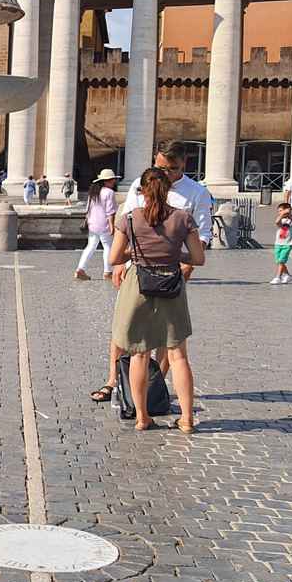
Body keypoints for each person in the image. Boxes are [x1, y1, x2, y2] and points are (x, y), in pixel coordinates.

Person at [90, 141, 211, 404]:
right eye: (159, 167)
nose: (163, 174)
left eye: (171, 169)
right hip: (137, 268)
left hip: (171, 272)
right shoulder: (139, 184)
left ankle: (155, 387)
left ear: (183, 165)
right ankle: (113, 380)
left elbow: (202, 233)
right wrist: (120, 264)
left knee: (168, 335)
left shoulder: (197, 192)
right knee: (123, 329)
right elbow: (126, 220)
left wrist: (185, 262)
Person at [106, 167, 205, 432]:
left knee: (139, 353)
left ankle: (142, 417)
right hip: (171, 286)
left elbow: (114, 258)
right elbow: (198, 258)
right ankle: (187, 418)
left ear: (142, 192)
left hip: (138, 287)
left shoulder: (128, 219)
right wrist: (174, 255)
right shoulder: (183, 219)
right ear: (168, 190)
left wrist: (135, 252)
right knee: (177, 355)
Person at [75, 168, 118, 281]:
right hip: (104, 224)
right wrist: (112, 227)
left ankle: (80, 269)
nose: (114, 181)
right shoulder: (109, 193)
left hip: (92, 224)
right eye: (112, 180)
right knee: (108, 247)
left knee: (90, 246)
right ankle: (107, 272)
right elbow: (110, 212)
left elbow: (87, 209)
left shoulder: (93, 192)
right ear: (106, 181)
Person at [269, 201, 292, 285]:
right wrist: (282, 214)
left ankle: (278, 277)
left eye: (280, 210)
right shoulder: (281, 219)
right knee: (278, 261)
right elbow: (277, 222)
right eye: (279, 211)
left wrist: (289, 214)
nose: (279, 212)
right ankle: (287, 275)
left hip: (287, 244)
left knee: (281, 261)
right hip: (278, 243)